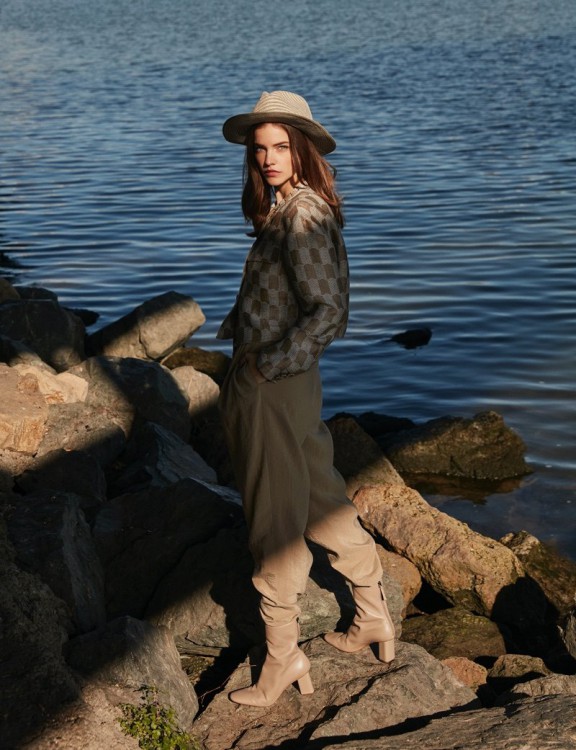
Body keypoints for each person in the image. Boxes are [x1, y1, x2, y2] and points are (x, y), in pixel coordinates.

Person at [217, 90, 395, 707]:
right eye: (259, 149)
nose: (268, 158)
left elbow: (329, 312)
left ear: (304, 150)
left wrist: (266, 367)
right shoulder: (292, 207)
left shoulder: (302, 214)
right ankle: (373, 614)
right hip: (288, 382)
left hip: (275, 384)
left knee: (274, 521)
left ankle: (282, 657)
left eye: (281, 147)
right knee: (320, 496)